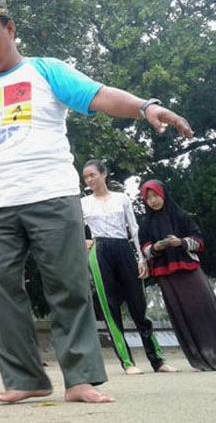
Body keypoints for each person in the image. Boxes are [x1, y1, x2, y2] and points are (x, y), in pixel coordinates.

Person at [0, 0, 193, 404]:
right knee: (1, 289)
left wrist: (145, 107)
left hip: (51, 196)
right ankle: (25, 378)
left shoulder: (46, 71)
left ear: (10, 30)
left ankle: (80, 379)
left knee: (67, 286)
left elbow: (99, 95)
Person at [81, 160, 177, 375]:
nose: (89, 180)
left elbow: (134, 230)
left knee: (138, 305)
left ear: (104, 174)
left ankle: (158, 360)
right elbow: (72, 227)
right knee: (110, 307)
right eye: (86, 177)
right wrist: (82, 241)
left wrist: (142, 260)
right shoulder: (83, 203)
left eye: (92, 175)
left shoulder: (121, 198)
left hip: (123, 248)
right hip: (99, 250)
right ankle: (127, 362)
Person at [139, 180, 216, 371]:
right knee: (182, 315)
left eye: (156, 195)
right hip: (166, 275)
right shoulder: (146, 225)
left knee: (206, 308)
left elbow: (199, 240)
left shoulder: (180, 215)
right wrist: (156, 247)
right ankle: (199, 358)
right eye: (149, 197)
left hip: (189, 270)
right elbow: (144, 249)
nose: (153, 201)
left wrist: (181, 242)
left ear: (164, 195)